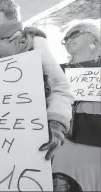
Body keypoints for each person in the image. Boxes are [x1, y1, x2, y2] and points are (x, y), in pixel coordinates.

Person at [0, 0, 74, 161]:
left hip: (35, 137)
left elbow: (60, 87)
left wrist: (56, 123)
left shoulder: (33, 42)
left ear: (11, 14)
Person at [52, 19, 101, 192]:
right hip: (64, 149)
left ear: (93, 37)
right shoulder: (55, 71)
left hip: (96, 152)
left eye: (75, 33)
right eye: (65, 38)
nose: (68, 39)